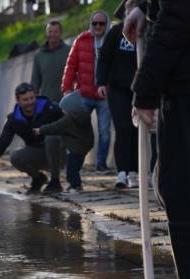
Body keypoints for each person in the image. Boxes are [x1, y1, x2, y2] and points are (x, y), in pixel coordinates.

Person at [125, 0, 190, 279]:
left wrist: (145, 89)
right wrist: (145, 6)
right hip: (183, 83)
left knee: (181, 191)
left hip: (187, 87)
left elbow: (178, 17)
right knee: (175, 188)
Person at [0, 82, 64, 195]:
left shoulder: (51, 108)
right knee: (15, 157)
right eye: (25, 100)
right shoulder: (13, 120)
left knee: (51, 137)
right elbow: (2, 141)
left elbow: (70, 122)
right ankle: (38, 179)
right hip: (40, 154)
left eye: (32, 98)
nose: (30, 102)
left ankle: (55, 182)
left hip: (61, 152)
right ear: (18, 100)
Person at [61, 11, 112, 172]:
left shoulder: (112, 40)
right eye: (94, 23)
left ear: (107, 24)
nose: (97, 26)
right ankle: (75, 163)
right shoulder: (81, 40)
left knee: (104, 132)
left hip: (105, 96)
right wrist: (66, 88)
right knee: (77, 130)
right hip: (84, 94)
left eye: (101, 23)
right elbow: (71, 66)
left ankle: (101, 164)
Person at [97, 3, 139, 189]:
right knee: (122, 128)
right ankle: (121, 173)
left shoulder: (144, 32)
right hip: (117, 89)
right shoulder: (116, 32)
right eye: (128, 12)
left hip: (138, 89)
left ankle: (134, 172)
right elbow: (104, 58)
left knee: (136, 130)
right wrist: (101, 82)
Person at [34, 91, 94, 193]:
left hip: (74, 149)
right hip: (83, 148)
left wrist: (41, 130)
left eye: (64, 109)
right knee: (76, 169)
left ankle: (76, 186)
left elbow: (56, 127)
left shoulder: (69, 119)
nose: (62, 111)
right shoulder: (84, 116)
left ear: (70, 108)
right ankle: (75, 185)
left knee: (70, 171)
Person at [32, 20, 71, 103]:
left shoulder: (70, 51)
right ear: (46, 33)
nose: (52, 35)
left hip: (68, 100)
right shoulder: (39, 55)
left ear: (61, 33)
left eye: (56, 32)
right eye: (50, 32)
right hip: (48, 103)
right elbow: (35, 82)